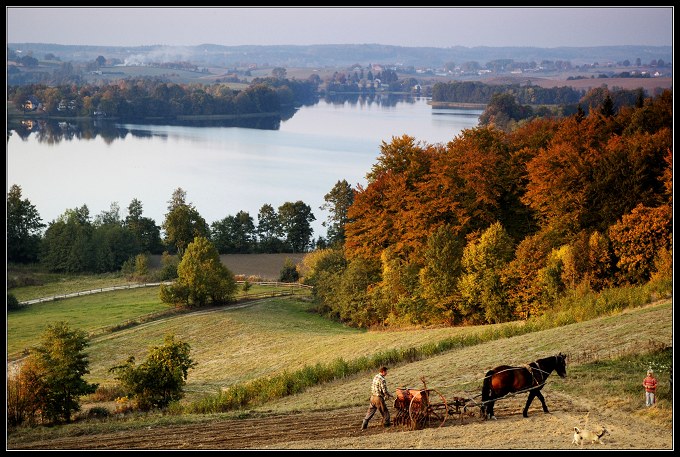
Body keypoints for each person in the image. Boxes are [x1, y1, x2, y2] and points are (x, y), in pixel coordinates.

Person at [361, 366, 394, 430]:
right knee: (385, 412)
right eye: (386, 372)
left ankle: (364, 424)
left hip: (372, 397)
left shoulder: (376, 376)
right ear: (383, 372)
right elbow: (384, 391)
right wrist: (390, 395)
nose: (387, 373)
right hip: (378, 398)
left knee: (370, 411)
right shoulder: (382, 379)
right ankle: (387, 425)